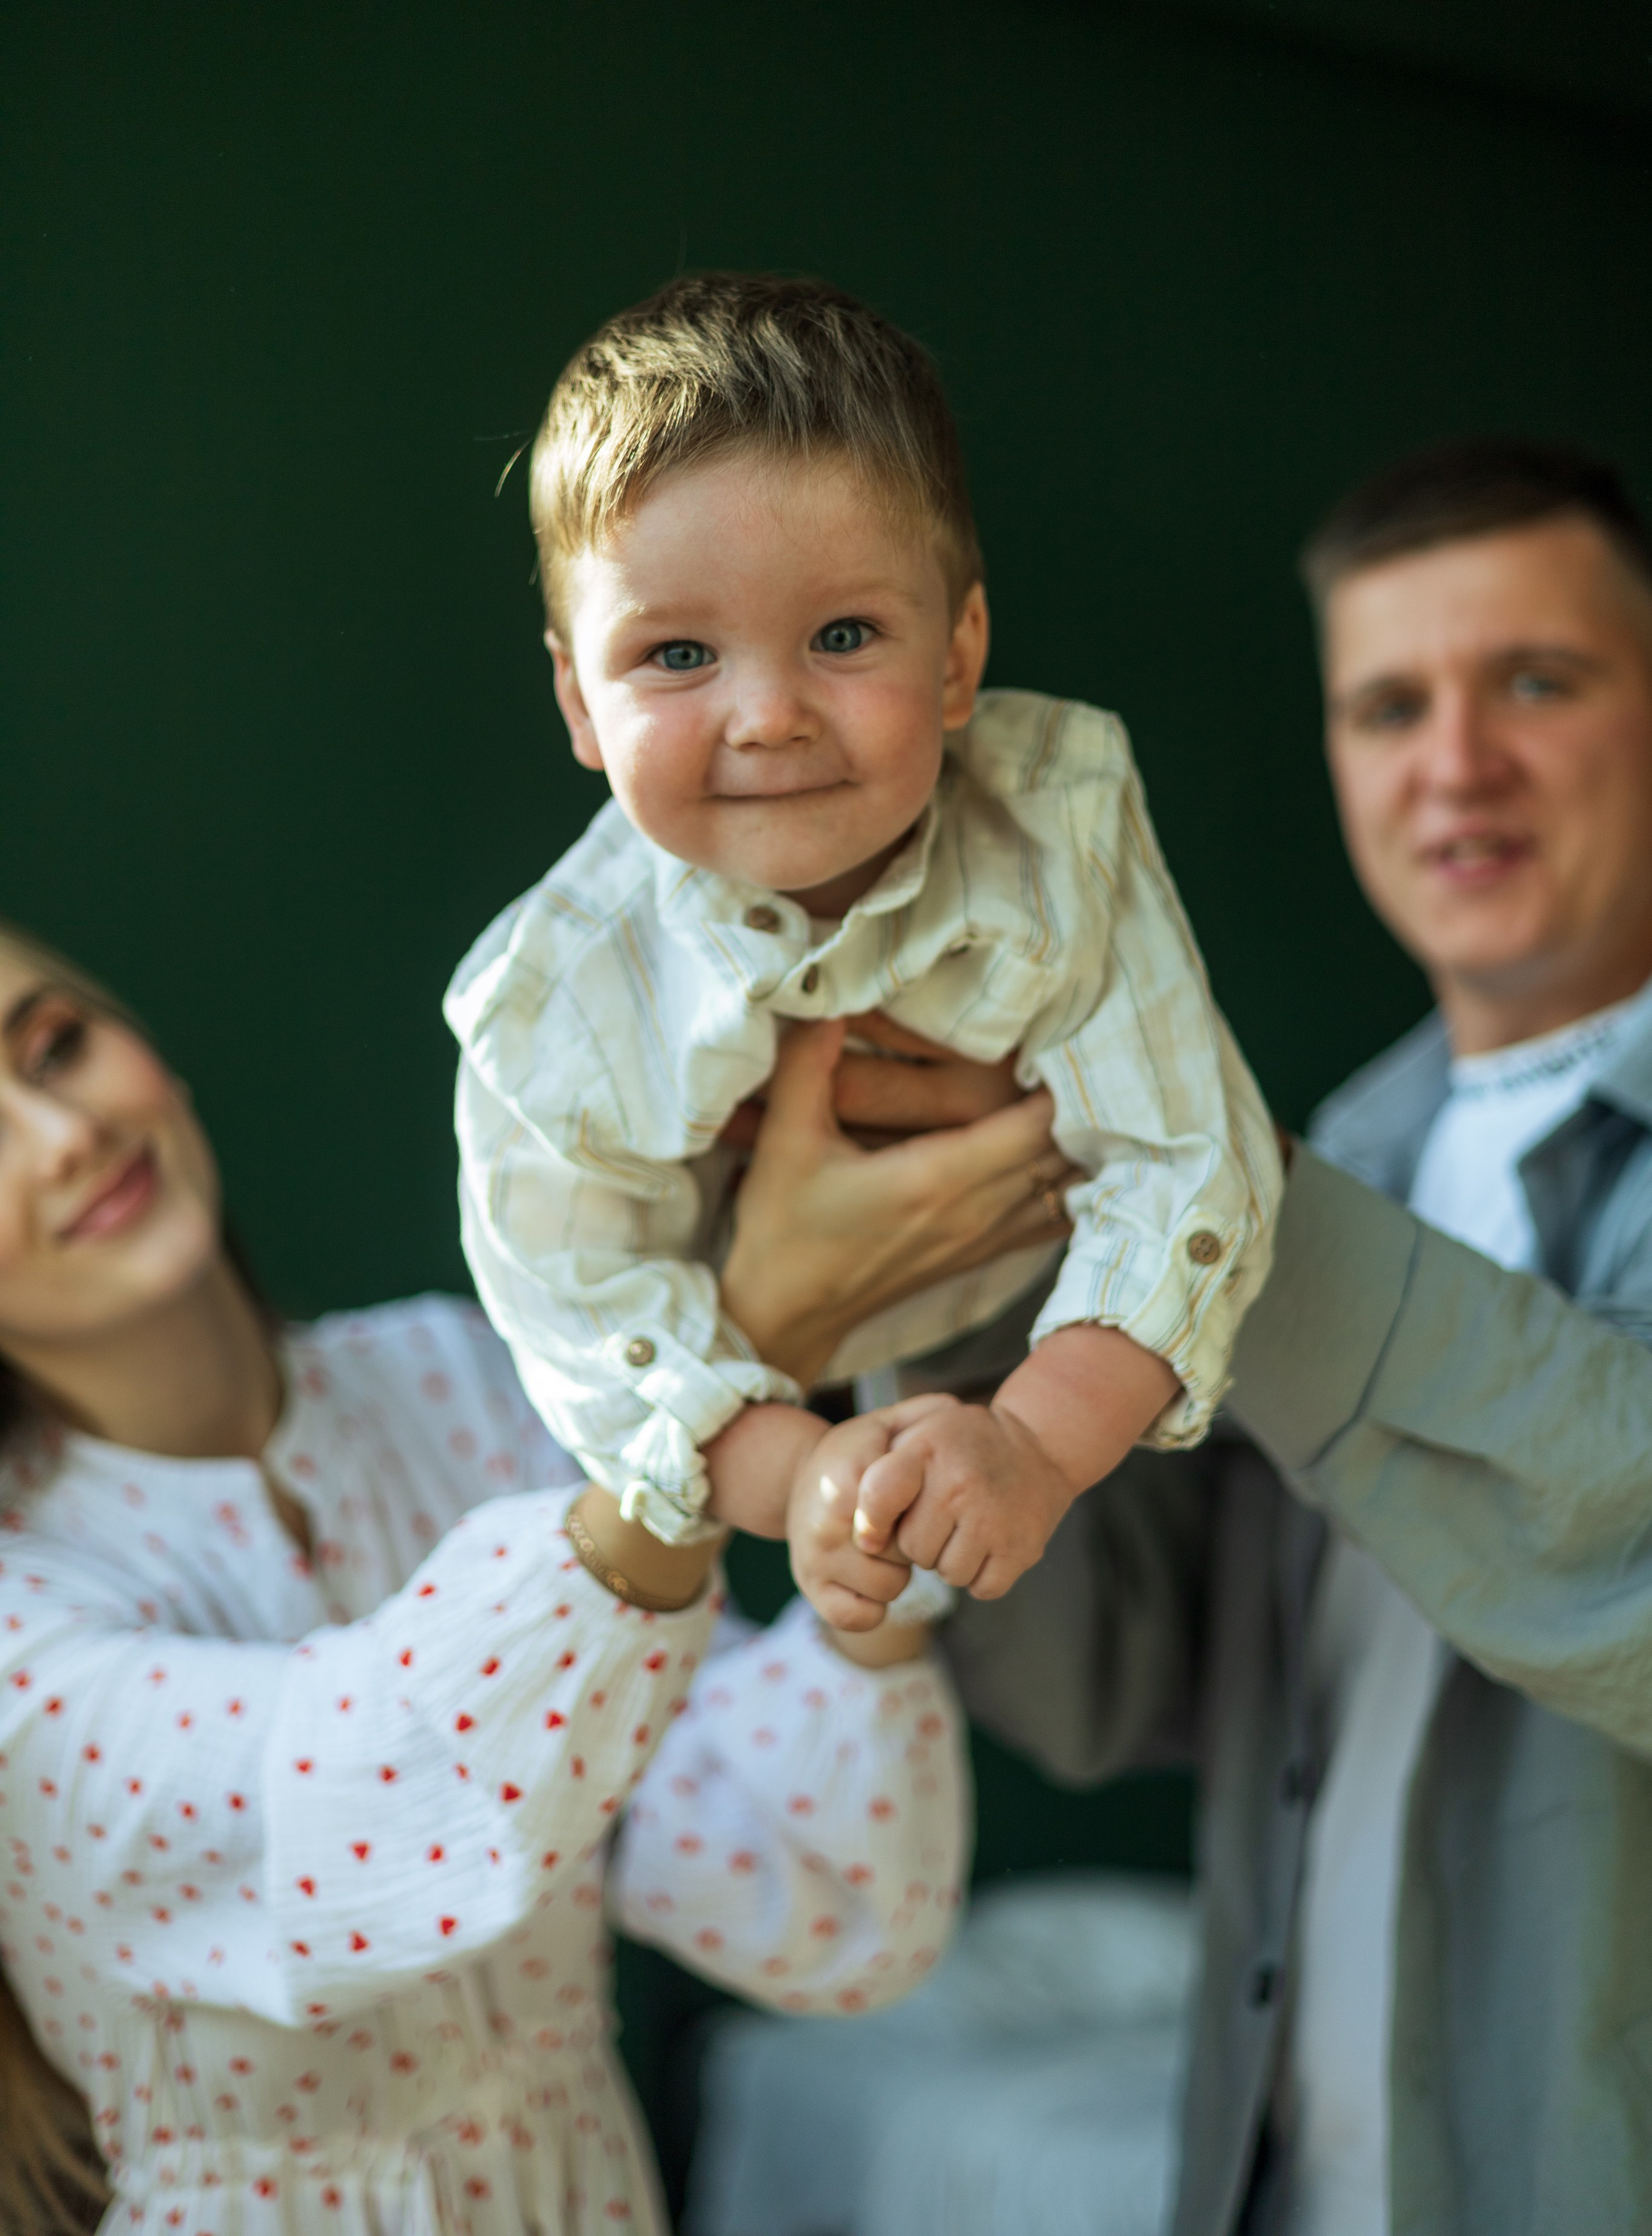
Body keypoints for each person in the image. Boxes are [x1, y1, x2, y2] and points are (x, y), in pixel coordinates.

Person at [0, 915, 1066, 2236]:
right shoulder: (17, 1612)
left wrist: (877, 1496)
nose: (62, 1138)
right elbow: (374, 1786)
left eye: (56, 1050)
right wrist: (744, 1345)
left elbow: (791, 1877)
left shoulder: (455, 1377)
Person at [945, 436, 1652, 2235]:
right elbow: (1111, 1682)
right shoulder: (1341, 1160)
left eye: (1538, 683)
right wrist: (931, 1302)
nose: (1457, 765)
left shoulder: (1264, 1203)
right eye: (1388, 705)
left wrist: (1190, 1177)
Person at [445, 271, 1280, 1637]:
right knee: (862, 1657)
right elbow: (586, 1312)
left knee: (1157, 1631)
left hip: (1089, 1345)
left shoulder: (1047, 827)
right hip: (748, 1401)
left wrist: (1036, 1440)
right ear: (575, 700)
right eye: (674, 655)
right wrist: (804, 1471)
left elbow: (1185, 1157)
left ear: (957, 659)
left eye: (841, 637)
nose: (766, 715)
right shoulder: (559, 1003)